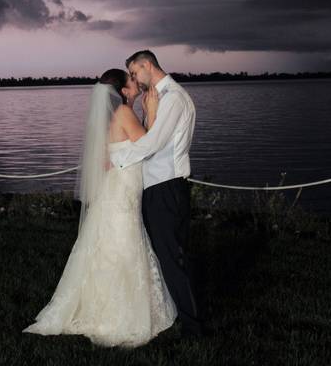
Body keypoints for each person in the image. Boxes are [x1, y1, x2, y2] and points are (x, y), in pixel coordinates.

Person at [23, 69, 176, 347]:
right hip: (123, 192)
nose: (136, 82)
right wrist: (152, 110)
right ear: (124, 91)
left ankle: (99, 306)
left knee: (109, 244)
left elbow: (116, 154)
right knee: (123, 243)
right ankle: (119, 314)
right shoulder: (124, 114)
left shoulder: (115, 115)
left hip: (117, 188)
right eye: (131, 81)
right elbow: (151, 147)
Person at [110, 50, 203, 337]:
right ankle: (182, 318)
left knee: (172, 259)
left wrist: (116, 157)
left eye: (135, 73)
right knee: (169, 258)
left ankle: (192, 328)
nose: (135, 79)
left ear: (147, 65)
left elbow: (153, 144)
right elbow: (151, 138)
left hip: (166, 187)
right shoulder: (159, 97)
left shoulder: (173, 98)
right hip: (158, 187)